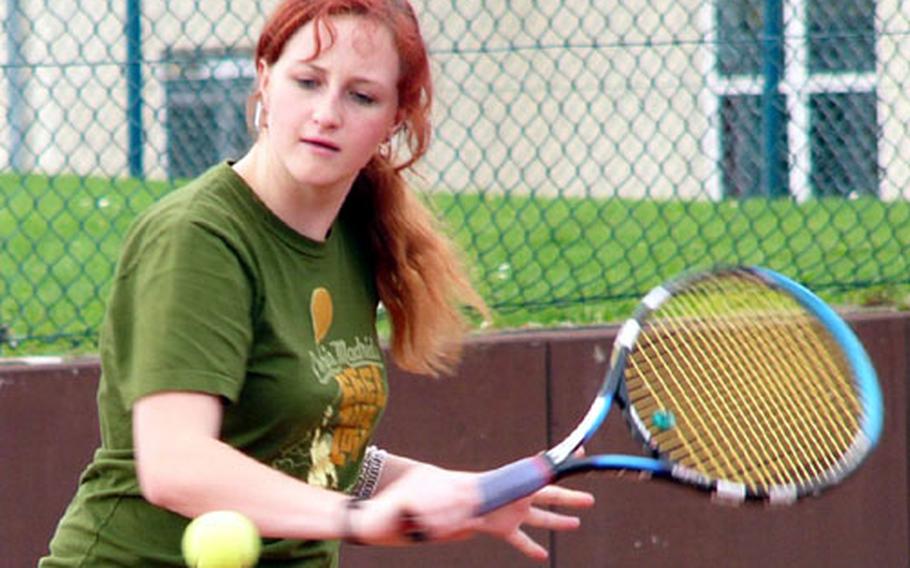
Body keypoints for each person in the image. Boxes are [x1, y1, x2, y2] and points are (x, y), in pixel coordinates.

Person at [40, 0, 593, 565]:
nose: (327, 113)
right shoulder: (197, 238)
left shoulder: (356, 235)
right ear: (264, 78)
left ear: (395, 119)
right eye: (307, 81)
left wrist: (458, 494)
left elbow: (314, 451)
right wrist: (360, 518)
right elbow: (175, 465)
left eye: (361, 96)